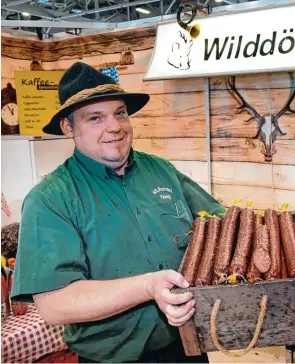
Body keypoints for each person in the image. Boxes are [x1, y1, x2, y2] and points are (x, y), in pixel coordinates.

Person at [11, 62, 226, 363]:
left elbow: (222, 223)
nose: (114, 127)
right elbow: (53, 304)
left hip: (188, 346)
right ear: (68, 127)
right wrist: (148, 286)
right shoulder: (50, 199)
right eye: (95, 118)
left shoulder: (161, 170)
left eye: (120, 112)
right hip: (113, 358)